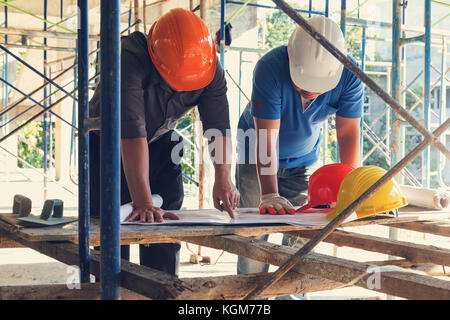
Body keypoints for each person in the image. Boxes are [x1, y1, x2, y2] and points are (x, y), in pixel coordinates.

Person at [89, 8, 240, 276]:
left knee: (164, 222)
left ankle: (162, 285)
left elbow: (218, 127)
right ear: (156, 58)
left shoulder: (208, 66)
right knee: (111, 233)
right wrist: (144, 201)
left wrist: (224, 177)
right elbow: (131, 130)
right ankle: (112, 288)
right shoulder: (129, 57)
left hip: (158, 138)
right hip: (106, 142)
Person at [235, 15, 363, 298]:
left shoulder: (351, 74)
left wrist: (350, 191)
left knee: (300, 237)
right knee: (254, 236)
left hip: (302, 160)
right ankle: (247, 298)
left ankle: (292, 296)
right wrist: (269, 194)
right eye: (303, 85)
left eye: (319, 87)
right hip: (256, 159)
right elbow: (265, 139)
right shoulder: (270, 67)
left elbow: (348, 134)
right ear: (291, 60)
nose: (310, 92)